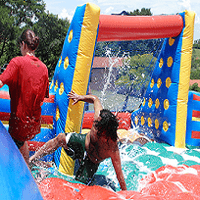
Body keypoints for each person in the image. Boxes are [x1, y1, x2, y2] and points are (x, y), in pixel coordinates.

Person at [29, 91, 127, 190]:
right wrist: (79, 97)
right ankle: (32, 159)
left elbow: (120, 176)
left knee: (79, 187)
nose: (94, 127)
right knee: (60, 138)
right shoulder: (99, 117)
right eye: (95, 124)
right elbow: (95, 99)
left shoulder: (112, 148)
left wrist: (124, 193)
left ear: (105, 133)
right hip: (82, 143)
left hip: (91, 161)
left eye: (97, 128)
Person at [0, 29, 49, 164]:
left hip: (18, 124)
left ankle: (22, 176)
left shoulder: (17, 62)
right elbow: (43, 95)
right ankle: (27, 168)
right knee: (22, 143)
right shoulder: (44, 68)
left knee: (9, 156)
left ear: (23, 44)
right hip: (33, 125)